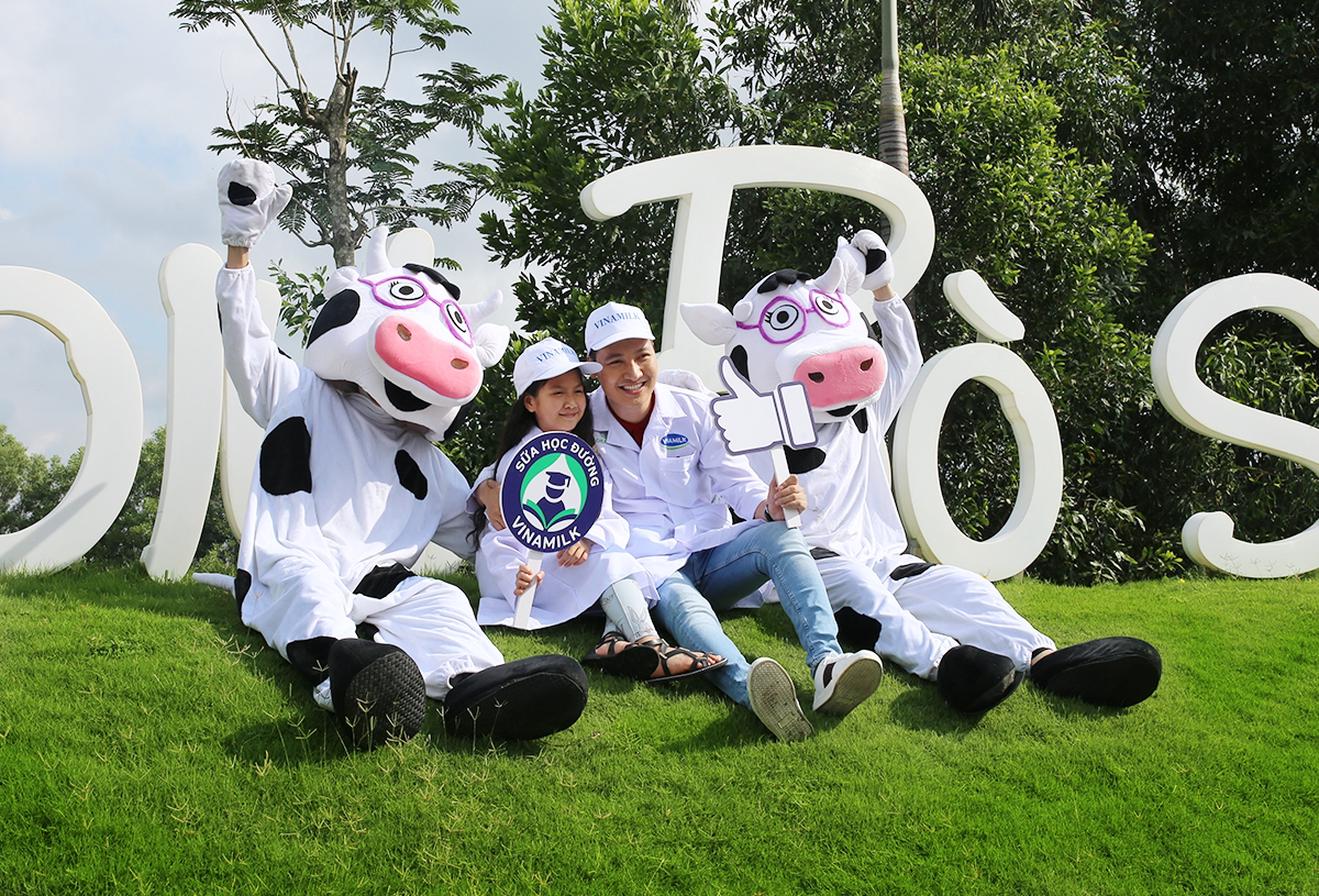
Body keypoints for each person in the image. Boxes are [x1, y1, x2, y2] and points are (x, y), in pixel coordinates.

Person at [682, 229, 1162, 713]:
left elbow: (903, 357)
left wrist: (884, 289)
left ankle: (1043, 657)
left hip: (882, 555)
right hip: (805, 562)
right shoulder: (742, 429)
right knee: (861, 594)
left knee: (961, 584)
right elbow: (718, 475)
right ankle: (945, 663)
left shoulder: (867, 415)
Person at [212, 159, 589, 749]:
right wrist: (241, 246)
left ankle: (479, 691)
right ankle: (351, 680)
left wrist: (497, 499)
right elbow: (246, 342)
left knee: (441, 598)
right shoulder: (299, 394)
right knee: (308, 593)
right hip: (296, 557)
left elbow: (478, 530)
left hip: (379, 581)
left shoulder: (430, 463)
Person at [481, 304, 885, 741]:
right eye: (615, 361)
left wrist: (766, 505)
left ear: (655, 353)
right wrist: (486, 488)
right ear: (596, 368)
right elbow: (525, 459)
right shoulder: (579, 416)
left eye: (643, 355)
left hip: (712, 549)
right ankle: (750, 687)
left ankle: (827, 663)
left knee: (781, 535)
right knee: (687, 608)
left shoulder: (694, 408)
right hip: (650, 564)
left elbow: (734, 480)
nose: (633, 372)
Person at [473, 338, 725, 682]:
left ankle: (616, 643)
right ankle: (652, 647)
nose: (572, 403)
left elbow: (607, 516)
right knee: (613, 562)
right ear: (530, 402)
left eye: (578, 392)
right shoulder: (520, 460)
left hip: (572, 563)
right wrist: (514, 572)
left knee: (618, 556)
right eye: (557, 393)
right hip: (531, 576)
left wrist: (588, 538)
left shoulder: (584, 451)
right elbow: (501, 534)